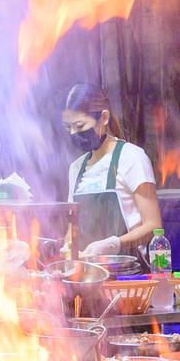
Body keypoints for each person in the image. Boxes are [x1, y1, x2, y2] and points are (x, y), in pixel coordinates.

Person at [60, 83, 162, 259]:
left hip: (129, 275)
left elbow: (153, 225)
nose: (73, 134)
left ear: (104, 118)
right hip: (87, 275)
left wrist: (115, 244)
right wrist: (67, 245)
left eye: (80, 125)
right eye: (68, 128)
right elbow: (72, 229)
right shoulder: (75, 168)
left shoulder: (131, 157)